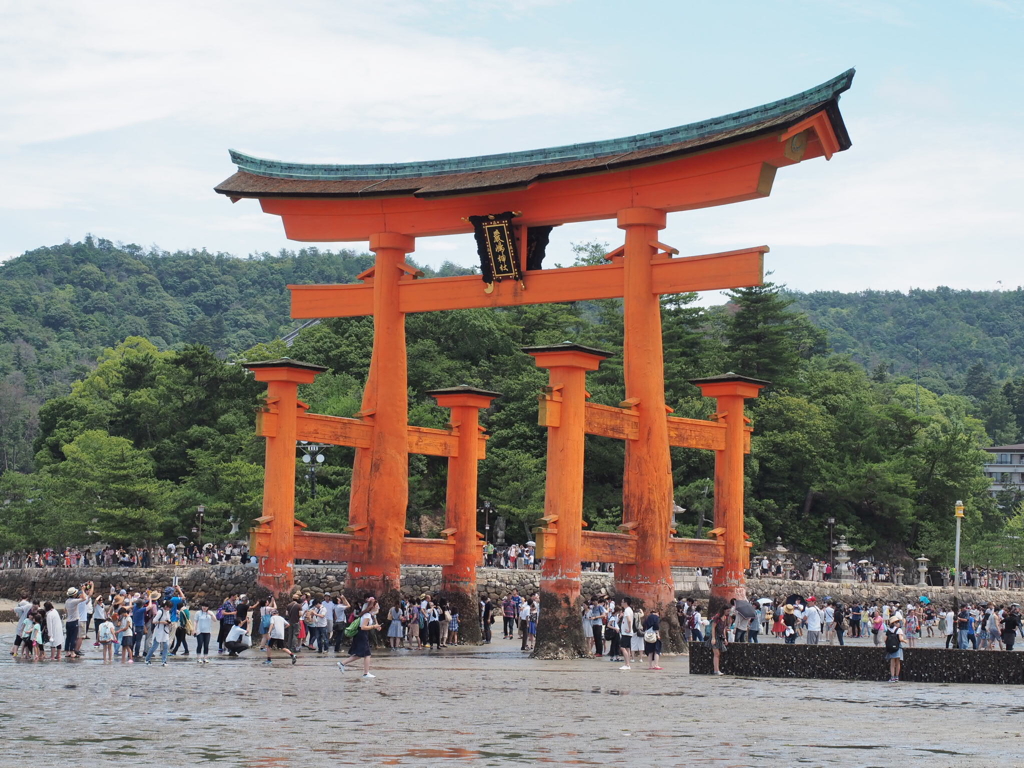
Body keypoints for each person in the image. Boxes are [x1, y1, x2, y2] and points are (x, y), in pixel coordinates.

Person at [338, 596, 381, 678]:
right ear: (373, 606)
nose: (378, 607)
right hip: (362, 634)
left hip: (361, 635)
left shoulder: (368, 614)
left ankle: (342, 663)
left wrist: (376, 626)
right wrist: (374, 627)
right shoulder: (367, 615)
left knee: (360, 654)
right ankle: (366, 673)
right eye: (377, 605)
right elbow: (363, 627)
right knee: (367, 654)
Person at [145, 599, 173, 665]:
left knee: (166, 646)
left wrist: (169, 623)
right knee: (154, 646)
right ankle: (147, 659)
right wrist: (162, 622)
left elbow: (168, 620)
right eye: (169, 607)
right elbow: (154, 621)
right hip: (159, 631)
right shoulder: (160, 612)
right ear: (165, 606)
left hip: (165, 631)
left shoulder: (167, 612)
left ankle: (164, 660)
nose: (169, 609)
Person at [885, 616, 905, 683]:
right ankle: (896, 677)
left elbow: (885, 639)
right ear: (895, 623)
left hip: (891, 648)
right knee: (898, 663)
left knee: (892, 663)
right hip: (898, 647)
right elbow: (900, 639)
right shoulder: (899, 630)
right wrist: (905, 641)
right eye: (898, 622)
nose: (899, 623)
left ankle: (892, 677)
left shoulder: (888, 630)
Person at [710, 607, 729, 675]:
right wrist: (713, 638)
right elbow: (713, 627)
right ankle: (716, 670)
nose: (728, 612)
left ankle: (717, 670)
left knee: (718, 654)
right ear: (723, 610)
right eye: (727, 611)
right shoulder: (717, 617)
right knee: (716, 654)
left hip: (720, 637)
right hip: (715, 637)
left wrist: (725, 638)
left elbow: (724, 629)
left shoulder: (725, 617)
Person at [619, 598, 635, 670]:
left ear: (626, 603)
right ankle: (628, 664)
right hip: (627, 632)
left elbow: (629, 620)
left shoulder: (627, 610)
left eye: (622, 602)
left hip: (626, 632)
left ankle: (627, 664)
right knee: (627, 648)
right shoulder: (629, 610)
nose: (621, 603)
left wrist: (629, 629)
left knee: (623, 647)